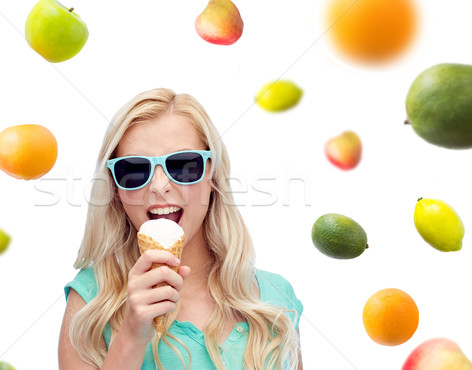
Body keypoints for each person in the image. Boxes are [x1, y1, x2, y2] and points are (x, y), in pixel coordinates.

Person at [58, 88, 304, 370]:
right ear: (115, 188)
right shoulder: (90, 300)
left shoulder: (275, 299)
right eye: (134, 169)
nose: (159, 186)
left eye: (183, 165)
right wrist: (132, 334)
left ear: (212, 175)